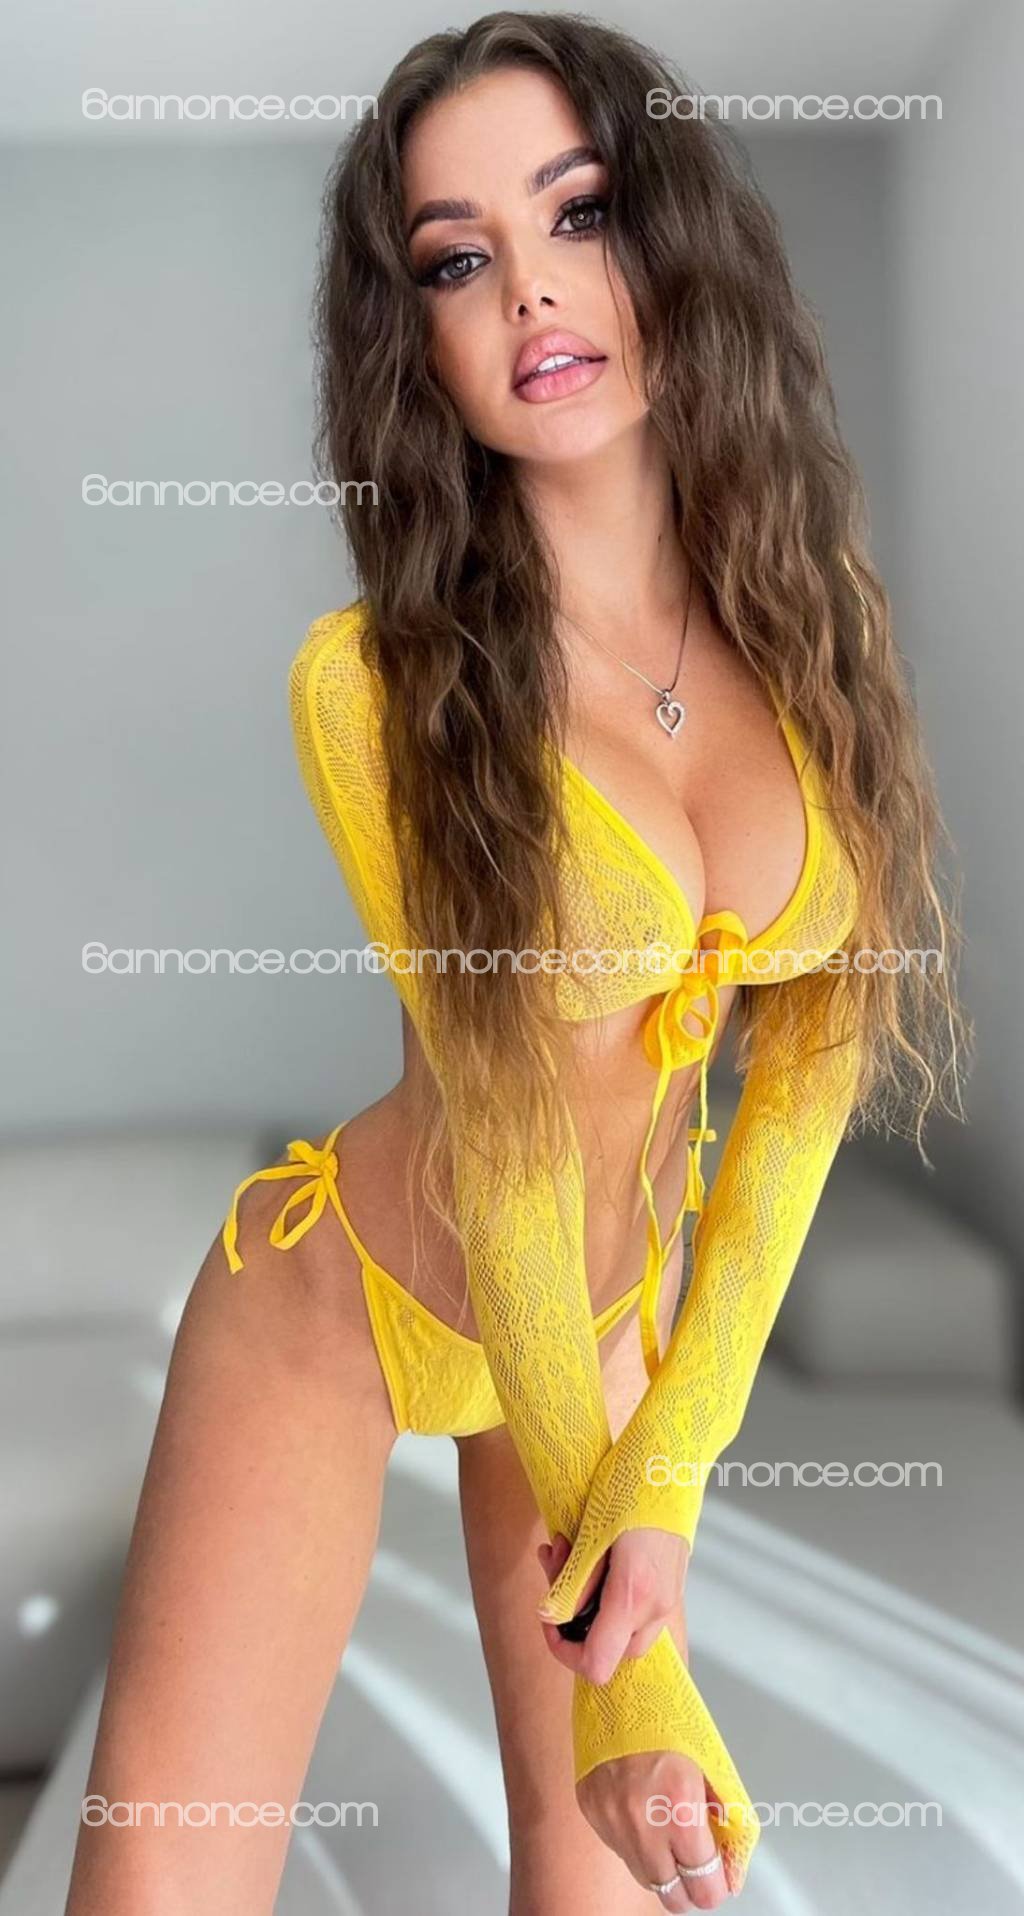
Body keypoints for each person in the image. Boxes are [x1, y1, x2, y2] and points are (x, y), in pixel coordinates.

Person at [65, 13, 970, 1914]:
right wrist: (632, 1671)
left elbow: (804, 1088)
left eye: (577, 212)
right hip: (350, 1309)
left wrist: (665, 1479)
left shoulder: (810, 626)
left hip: (609, 1311)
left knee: (599, 1882)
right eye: (456, 258)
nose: (531, 289)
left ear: (671, 240)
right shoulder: (374, 689)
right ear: (416, 338)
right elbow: (502, 1136)